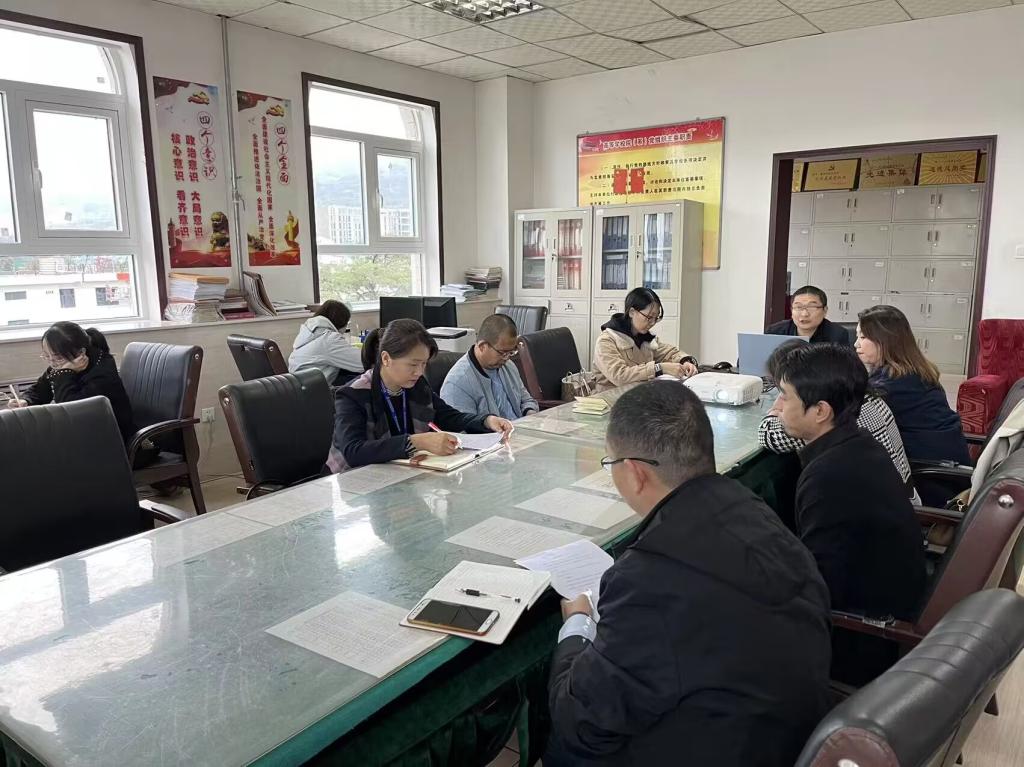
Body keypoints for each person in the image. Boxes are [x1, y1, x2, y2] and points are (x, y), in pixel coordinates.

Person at [546, 381, 832, 766]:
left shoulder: (648, 577)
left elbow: (581, 718)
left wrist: (577, 625)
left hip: (732, 747)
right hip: (792, 732)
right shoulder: (754, 510)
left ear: (634, 473)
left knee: (567, 745)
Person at [774, 342, 926, 622]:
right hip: (888, 597)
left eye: (785, 397)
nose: (777, 406)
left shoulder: (828, 476)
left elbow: (819, 586)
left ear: (820, 411)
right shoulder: (860, 444)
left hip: (865, 626)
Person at [329, 319, 514, 472]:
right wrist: (416, 442)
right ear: (386, 359)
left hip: (400, 473)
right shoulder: (353, 394)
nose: (419, 372)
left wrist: (486, 421)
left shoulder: (416, 385)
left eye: (424, 364)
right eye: (413, 364)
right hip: (354, 482)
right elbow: (353, 451)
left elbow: (448, 416)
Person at [759, 339, 918, 503]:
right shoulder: (862, 398)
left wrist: (774, 412)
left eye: (784, 394)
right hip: (902, 495)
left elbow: (768, 435)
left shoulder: (823, 430)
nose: (780, 402)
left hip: (890, 503)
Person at [7, 321, 157, 467]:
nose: (52, 363)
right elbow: (40, 389)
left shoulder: (102, 373)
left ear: (81, 353)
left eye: (57, 357)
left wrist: (66, 372)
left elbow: (69, 410)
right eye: (47, 356)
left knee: (32, 453)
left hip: (114, 444)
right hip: (84, 438)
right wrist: (26, 401)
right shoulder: (64, 364)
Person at [856, 304, 971, 466]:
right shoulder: (915, 370)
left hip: (930, 470)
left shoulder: (890, 385)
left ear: (885, 341)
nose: (856, 344)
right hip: (950, 462)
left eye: (862, 337)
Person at [592, 287, 698, 392]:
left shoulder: (645, 338)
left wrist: (685, 361)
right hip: (608, 398)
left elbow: (669, 353)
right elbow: (619, 376)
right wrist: (659, 368)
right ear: (632, 312)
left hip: (638, 395)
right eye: (649, 317)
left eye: (656, 318)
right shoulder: (607, 340)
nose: (652, 323)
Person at [440, 313, 538, 421]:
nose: (507, 358)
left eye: (511, 352)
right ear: (482, 346)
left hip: (520, 426)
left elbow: (527, 400)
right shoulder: (457, 383)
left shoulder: (508, 366)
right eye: (502, 352)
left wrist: (530, 413)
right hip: (491, 432)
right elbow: (462, 428)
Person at [288, 300, 363, 386]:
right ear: (342, 322)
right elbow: (363, 362)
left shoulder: (309, 331)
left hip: (299, 386)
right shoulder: (329, 339)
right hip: (315, 390)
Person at [766, 285, 851, 345]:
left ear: (825, 311)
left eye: (811, 307)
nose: (804, 314)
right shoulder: (775, 332)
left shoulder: (837, 335)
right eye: (798, 307)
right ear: (791, 310)